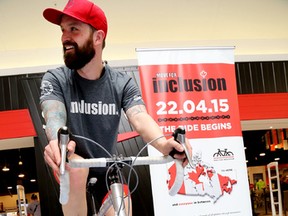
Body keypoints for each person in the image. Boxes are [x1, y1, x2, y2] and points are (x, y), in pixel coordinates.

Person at [40, 0, 191, 215]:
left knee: (123, 209)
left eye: (74, 29)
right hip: (72, 162)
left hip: (107, 168)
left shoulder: (121, 83)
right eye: (63, 30)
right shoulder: (55, 78)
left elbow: (140, 118)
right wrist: (57, 143)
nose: (65, 37)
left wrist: (165, 145)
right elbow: (53, 114)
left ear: (98, 37)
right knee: (75, 170)